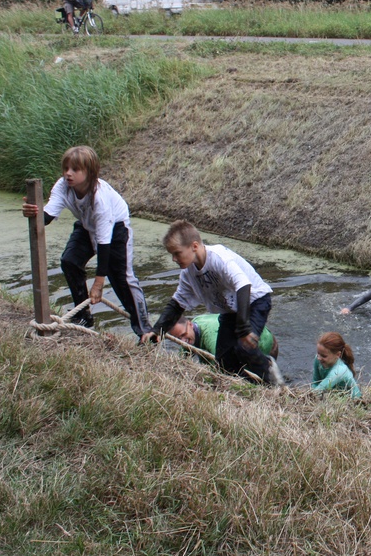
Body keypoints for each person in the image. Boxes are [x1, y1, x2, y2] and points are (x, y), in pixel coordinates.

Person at [21, 145, 152, 337]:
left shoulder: (100, 198)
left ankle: (145, 332)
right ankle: (83, 316)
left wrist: (98, 284)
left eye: (75, 169)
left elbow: (104, 244)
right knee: (69, 261)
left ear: (90, 172)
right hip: (86, 224)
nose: (68, 174)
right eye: (66, 168)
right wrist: (33, 213)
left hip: (115, 228)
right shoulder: (63, 186)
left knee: (122, 279)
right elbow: (47, 216)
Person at [140, 220, 283, 386]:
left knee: (244, 347)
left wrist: (243, 328)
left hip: (254, 302)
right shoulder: (187, 273)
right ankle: (248, 388)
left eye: (177, 253)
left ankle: (271, 379)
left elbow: (243, 285)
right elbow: (177, 303)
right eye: (172, 254)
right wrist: (157, 330)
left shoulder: (219, 258)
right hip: (230, 311)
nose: (174, 259)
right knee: (223, 361)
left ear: (194, 246)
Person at [168, 314, 279, 359]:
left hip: (262, 341)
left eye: (183, 335)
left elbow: (221, 370)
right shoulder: (194, 325)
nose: (183, 341)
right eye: (178, 339)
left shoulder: (211, 338)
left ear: (190, 324)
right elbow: (183, 356)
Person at [312, 332, 362, 398]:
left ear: (338, 355)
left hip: (352, 401)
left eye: (324, 356)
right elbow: (315, 383)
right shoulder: (318, 359)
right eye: (318, 353)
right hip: (335, 396)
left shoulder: (339, 371)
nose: (319, 358)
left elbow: (319, 390)